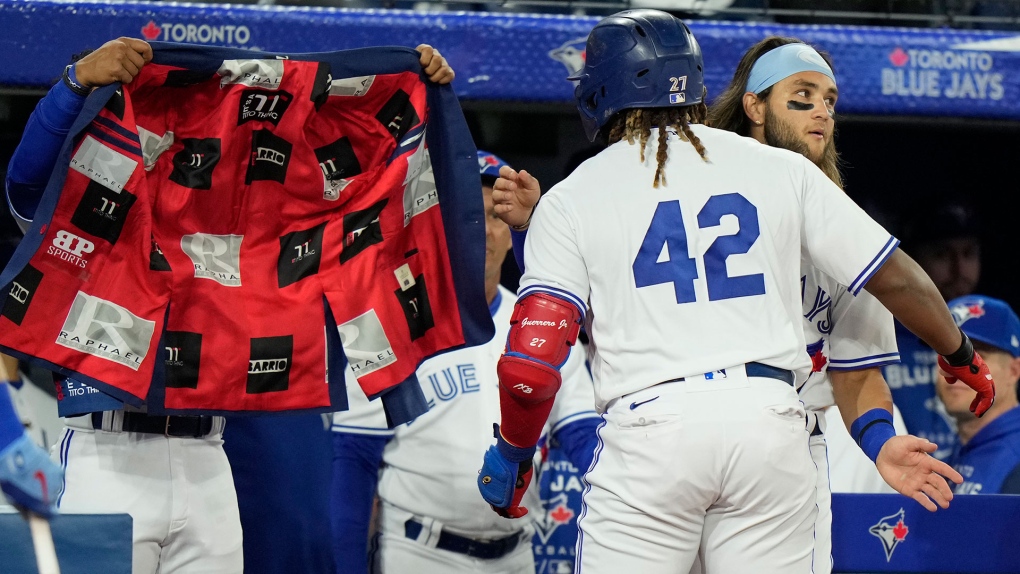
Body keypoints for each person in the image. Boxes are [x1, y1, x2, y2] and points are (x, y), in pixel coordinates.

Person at [476, 10, 992, 572]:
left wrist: (514, 454)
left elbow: (532, 363)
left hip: (653, 428)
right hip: (769, 422)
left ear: (600, 89)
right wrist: (959, 351)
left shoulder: (575, 195)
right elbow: (897, 275)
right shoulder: (779, 170)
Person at [3, 36, 455, 574]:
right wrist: (74, 82)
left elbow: (356, 190)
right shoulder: (99, 214)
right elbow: (28, 181)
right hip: (106, 458)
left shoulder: (245, 242)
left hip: (210, 463)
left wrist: (417, 87)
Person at [330, 150, 599, 574]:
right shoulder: (388, 327)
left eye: (495, 215)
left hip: (517, 555)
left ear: (513, 232)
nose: (484, 231)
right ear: (440, 227)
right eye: (468, 214)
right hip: (419, 553)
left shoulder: (546, 326)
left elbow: (585, 439)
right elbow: (352, 460)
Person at [884, 201, 981, 459]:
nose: (959, 270)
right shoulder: (879, 333)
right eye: (941, 254)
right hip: (896, 482)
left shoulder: (992, 339)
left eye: (969, 253)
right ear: (913, 261)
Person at [936, 294, 1020, 494]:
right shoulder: (958, 452)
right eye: (946, 355)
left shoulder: (1014, 456)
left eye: (975, 356)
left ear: (1014, 371)